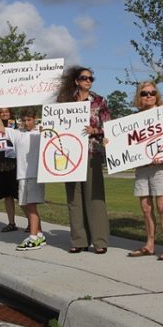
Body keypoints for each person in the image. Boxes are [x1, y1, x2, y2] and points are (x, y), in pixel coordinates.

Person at [56, 66, 110, 254]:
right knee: (74, 199)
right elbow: (56, 126)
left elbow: (109, 126)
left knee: (94, 197)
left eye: (91, 78)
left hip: (91, 153)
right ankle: (79, 240)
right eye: (84, 78)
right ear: (76, 81)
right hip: (69, 155)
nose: (88, 81)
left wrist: (95, 131)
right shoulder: (63, 102)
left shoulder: (99, 101)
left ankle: (100, 241)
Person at [127, 81, 163, 260]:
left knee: (162, 206)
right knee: (146, 208)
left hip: (162, 166)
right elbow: (128, 145)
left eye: (152, 92)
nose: (148, 96)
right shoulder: (133, 119)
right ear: (139, 96)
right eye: (144, 93)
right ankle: (149, 244)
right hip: (142, 167)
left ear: (157, 95)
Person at [0, 106, 46, 250]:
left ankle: (33, 237)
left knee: (31, 205)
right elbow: (1, 129)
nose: (27, 123)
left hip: (34, 174)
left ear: (35, 119)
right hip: (22, 174)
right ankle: (39, 235)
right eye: (24, 120)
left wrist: (45, 131)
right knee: (23, 204)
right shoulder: (17, 133)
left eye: (29, 120)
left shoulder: (40, 132)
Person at [0, 107, 19, 232]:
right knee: (7, 196)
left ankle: (32, 223)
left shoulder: (17, 125)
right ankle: (11, 222)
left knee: (20, 196)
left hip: (14, 164)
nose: (4, 114)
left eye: (6, 111)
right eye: (1, 112)